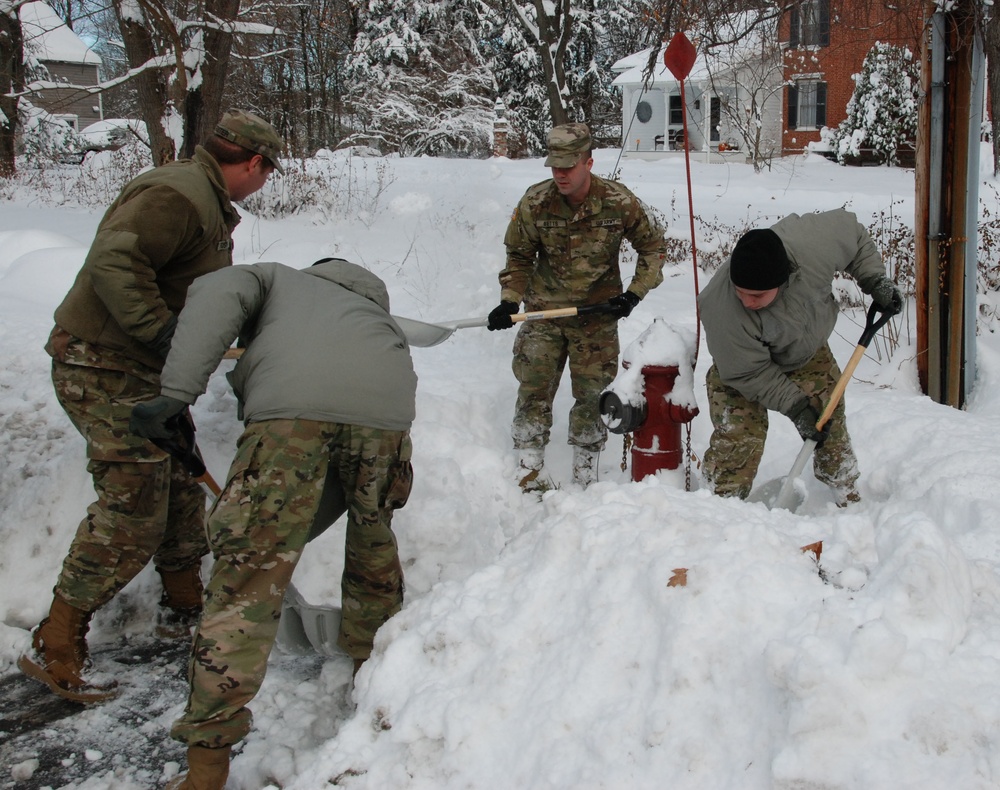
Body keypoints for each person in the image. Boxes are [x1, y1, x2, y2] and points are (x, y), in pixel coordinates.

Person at [18, 109, 283, 704]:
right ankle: (56, 641)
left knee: (180, 476)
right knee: (135, 503)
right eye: (267, 173)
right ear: (253, 163)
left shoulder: (203, 199)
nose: (264, 183)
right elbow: (115, 260)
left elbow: (187, 281)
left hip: (140, 370)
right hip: (103, 364)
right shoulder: (178, 193)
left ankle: (185, 604)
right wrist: (163, 334)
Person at [129, 258, 417, 790]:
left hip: (291, 417)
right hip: (388, 418)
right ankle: (375, 683)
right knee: (373, 544)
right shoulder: (377, 317)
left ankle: (206, 768)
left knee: (246, 583)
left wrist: (176, 392)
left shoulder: (279, 279)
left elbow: (218, 288)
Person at [487, 122, 669, 489]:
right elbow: (518, 257)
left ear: (588, 162)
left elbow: (654, 246)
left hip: (597, 316)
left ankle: (585, 469)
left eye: (568, 166)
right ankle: (529, 463)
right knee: (534, 385)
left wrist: (633, 293)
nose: (561, 174)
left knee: (592, 394)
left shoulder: (618, 201)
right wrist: (508, 302)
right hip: (543, 313)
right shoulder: (536, 202)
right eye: (555, 166)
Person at [698, 209, 903, 505]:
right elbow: (748, 373)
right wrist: (795, 406)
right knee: (739, 439)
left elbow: (854, 236)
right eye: (741, 292)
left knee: (829, 421)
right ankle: (719, 506)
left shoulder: (813, 243)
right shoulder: (723, 308)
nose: (746, 301)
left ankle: (845, 490)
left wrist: (875, 280)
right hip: (742, 369)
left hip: (807, 353)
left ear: (782, 281)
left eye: (756, 295)